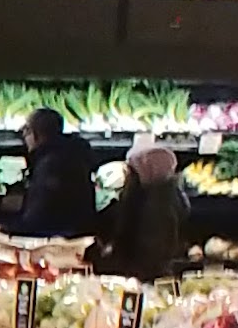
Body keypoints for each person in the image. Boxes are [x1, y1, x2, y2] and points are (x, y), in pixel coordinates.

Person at [102, 139, 189, 282]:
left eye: (132, 170)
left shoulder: (156, 205)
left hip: (144, 275)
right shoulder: (166, 194)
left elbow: (151, 252)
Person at [15, 106, 99, 239]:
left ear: (36, 134)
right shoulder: (71, 156)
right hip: (76, 234)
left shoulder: (50, 165)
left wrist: (9, 225)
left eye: (26, 129)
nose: (24, 135)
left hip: (59, 239)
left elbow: (40, 217)